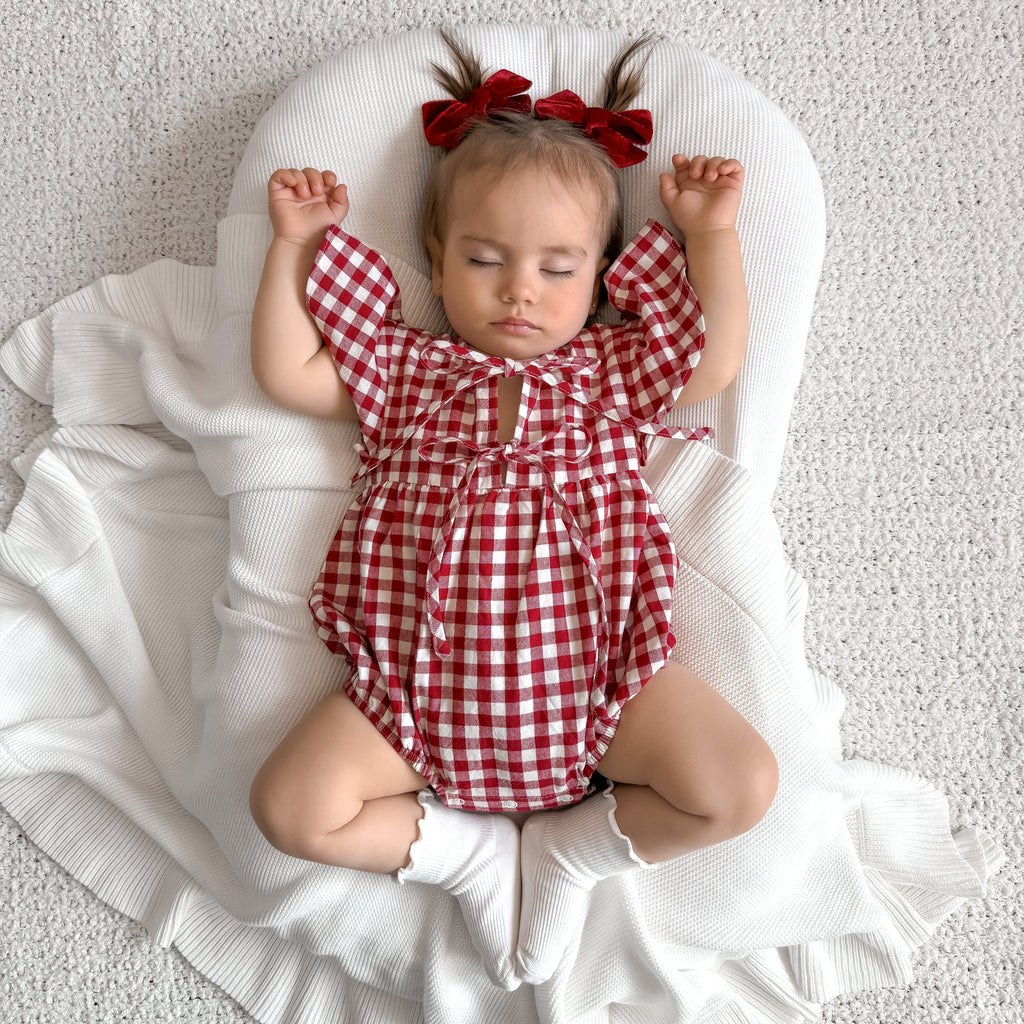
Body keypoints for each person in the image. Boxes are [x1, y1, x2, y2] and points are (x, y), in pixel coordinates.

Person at [248, 34, 777, 990]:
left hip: (596, 691)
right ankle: (466, 854)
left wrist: (714, 235)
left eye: (557, 269)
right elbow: (287, 373)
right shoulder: (409, 370)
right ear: (438, 268)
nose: (520, 289)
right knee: (288, 807)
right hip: (413, 699)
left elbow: (719, 361)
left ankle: (576, 850)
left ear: (603, 278)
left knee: (740, 786)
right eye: (485, 259)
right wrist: (289, 247)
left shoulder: (612, 373)